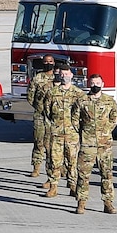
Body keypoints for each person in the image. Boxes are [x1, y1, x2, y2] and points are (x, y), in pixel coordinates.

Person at [75, 75, 117, 214]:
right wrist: (84, 133)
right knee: (83, 175)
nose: (95, 85)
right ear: (89, 84)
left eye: (98, 83)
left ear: (103, 84)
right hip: (87, 144)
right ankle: (81, 203)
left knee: (107, 174)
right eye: (93, 83)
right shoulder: (82, 101)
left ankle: (108, 203)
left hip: (104, 144)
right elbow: (75, 120)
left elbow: (114, 118)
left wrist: (105, 131)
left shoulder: (109, 101)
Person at [44, 65, 83, 198]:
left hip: (72, 134)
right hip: (57, 133)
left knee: (72, 161)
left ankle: (72, 186)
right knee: (55, 161)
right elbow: (47, 111)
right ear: (59, 76)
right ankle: (53, 187)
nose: (64, 76)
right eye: (62, 74)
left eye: (67, 74)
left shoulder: (78, 94)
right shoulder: (52, 93)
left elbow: (83, 114)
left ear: (71, 75)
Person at [27, 54, 57, 180]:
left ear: (54, 62)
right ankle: (36, 167)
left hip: (54, 117)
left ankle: (53, 170)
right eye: (45, 61)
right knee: (38, 142)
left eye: (50, 61)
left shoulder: (58, 78)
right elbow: (30, 96)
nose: (48, 63)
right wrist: (39, 107)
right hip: (40, 115)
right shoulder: (37, 78)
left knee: (52, 145)